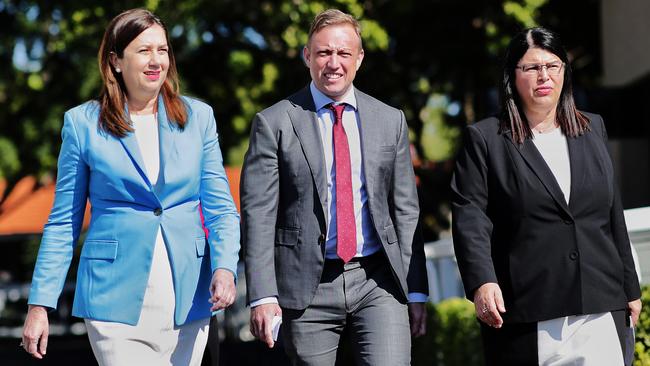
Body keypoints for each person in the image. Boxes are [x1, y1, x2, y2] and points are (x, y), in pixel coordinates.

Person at [21, 8, 240, 365]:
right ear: (116, 61)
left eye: (163, 50)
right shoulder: (82, 124)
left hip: (189, 297)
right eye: (143, 51)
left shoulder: (200, 118)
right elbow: (63, 222)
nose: (156, 61)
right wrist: (40, 303)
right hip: (113, 299)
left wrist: (225, 267)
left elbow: (221, 210)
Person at [240, 8, 428, 366]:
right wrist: (262, 294)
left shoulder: (391, 121)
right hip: (306, 287)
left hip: (379, 282)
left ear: (359, 59)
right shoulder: (274, 122)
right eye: (324, 52)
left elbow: (406, 210)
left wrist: (415, 289)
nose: (334, 63)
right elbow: (258, 215)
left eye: (343, 53)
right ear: (307, 56)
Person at [451, 27, 642, 365]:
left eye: (553, 66)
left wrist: (630, 288)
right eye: (532, 68)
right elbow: (470, 215)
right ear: (513, 76)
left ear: (564, 72)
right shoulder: (485, 139)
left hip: (600, 303)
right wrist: (482, 280)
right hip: (529, 310)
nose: (544, 76)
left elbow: (612, 212)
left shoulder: (592, 128)